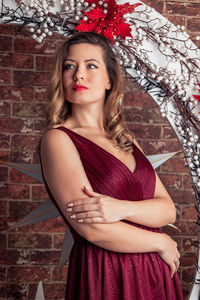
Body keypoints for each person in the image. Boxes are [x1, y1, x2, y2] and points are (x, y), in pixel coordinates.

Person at [40, 31, 183, 299]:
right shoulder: (58, 139)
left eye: (90, 66)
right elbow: (92, 228)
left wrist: (118, 208)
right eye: (69, 66)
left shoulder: (125, 139)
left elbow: (167, 211)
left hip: (156, 272)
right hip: (106, 271)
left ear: (109, 79)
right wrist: (160, 241)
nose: (78, 75)